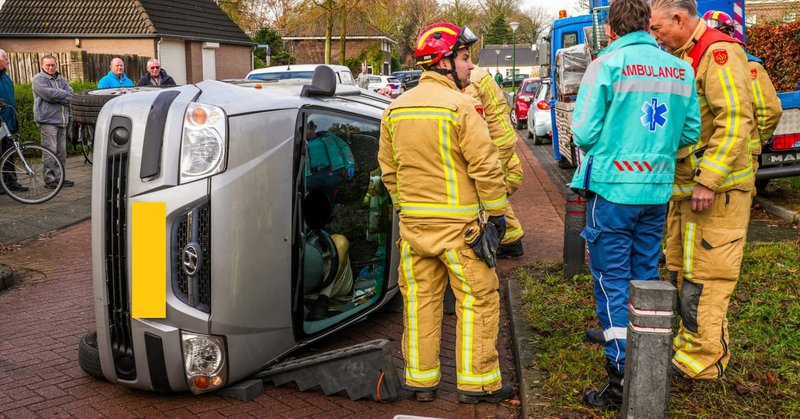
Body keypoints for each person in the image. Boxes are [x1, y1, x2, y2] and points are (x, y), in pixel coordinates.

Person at [570, 0, 701, 409]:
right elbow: (690, 132)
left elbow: (584, 132)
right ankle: (651, 368)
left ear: (611, 29)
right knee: (645, 278)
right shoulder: (681, 69)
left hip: (611, 191)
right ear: (648, 23)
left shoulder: (606, 66)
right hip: (657, 192)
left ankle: (622, 378)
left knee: (611, 282)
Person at [378, 22, 513, 404]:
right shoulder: (461, 106)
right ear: (443, 63)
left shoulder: (394, 110)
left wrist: (407, 210)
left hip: (414, 231)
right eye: (465, 57)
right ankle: (479, 383)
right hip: (462, 231)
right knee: (478, 300)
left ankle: (421, 381)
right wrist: (498, 214)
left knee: (420, 302)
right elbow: (485, 166)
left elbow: (389, 172)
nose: (470, 66)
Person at [650, 0, 756, 380]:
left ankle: (704, 363)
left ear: (679, 19)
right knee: (683, 273)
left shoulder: (719, 53)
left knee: (707, 278)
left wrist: (708, 178)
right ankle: (687, 350)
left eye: (658, 29)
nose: (655, 36)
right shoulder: (687, 54)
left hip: (717, 193)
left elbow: (735, 119)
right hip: (689, 193)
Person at [702, 10, 782, 174]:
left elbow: (770, 110)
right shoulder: (703, 63)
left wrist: (758, 139)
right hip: (712, 153)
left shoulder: (751, 66)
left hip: (742, 154)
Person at [465, 67, 525, 257]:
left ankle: (496, 240)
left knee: (483, 191)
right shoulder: (479, 74)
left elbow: (470, 117)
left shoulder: (468, 81)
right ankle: (511, 239)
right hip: (503, 146)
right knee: (493, 193)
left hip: (492, 147)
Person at [33, 55, 75, 188]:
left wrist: (58, 95)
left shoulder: (61, 79)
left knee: (61, 152)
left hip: (62, 121)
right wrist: (62, 94)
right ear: (42, 66)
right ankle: (49, 179)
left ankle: (60, 178)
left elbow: (71, 94)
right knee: (50, 152)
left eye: (53, 65)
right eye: (48, 65)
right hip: (48, 121)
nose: (51, 68)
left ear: (56, 65)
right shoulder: (38, 79)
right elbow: (48, 95)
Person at [304, 120, 355, 203]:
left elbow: (344, 147)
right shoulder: (300, 143)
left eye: (309, 128)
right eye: (305, 129)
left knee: (328, 201)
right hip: (310, 176)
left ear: (314, 128)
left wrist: (349, 164)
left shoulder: (328, 137)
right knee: (310, 202)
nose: (307, 132)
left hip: (329, 173)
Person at [0, 49, 28, 194]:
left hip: (7, 123)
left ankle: (11, 183)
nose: (8, 61)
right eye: (5, 58)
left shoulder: (6, 78)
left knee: (9, 153)